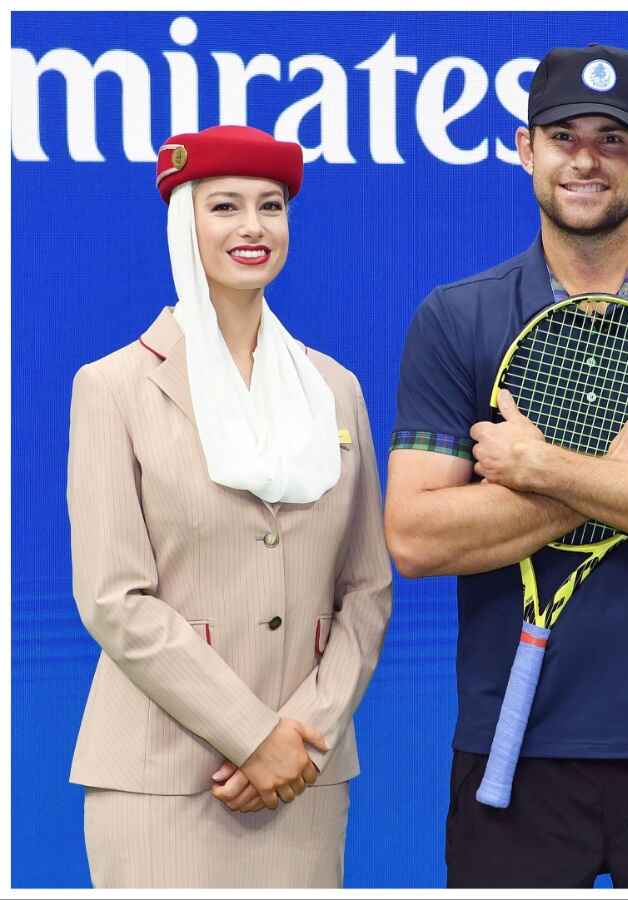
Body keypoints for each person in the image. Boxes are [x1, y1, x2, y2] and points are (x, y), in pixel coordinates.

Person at [385, 45, 628, 888]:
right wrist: (621, 472)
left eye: (614, 139)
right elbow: (417, 537)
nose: (586, 160)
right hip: (512, 751)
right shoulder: (456, 319)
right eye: (564, 136)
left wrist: (539, 466)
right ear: (526, 149)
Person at [66, 125, 393, 888]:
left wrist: (300, 742)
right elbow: (114, 599)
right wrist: (253, 737)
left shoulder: (333, 389)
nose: (253, 227)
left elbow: (367, 591)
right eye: (225, 207)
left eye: (271, 207)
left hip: (302, 784)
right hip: (161, 780)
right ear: (185, 223)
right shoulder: (114, 387)